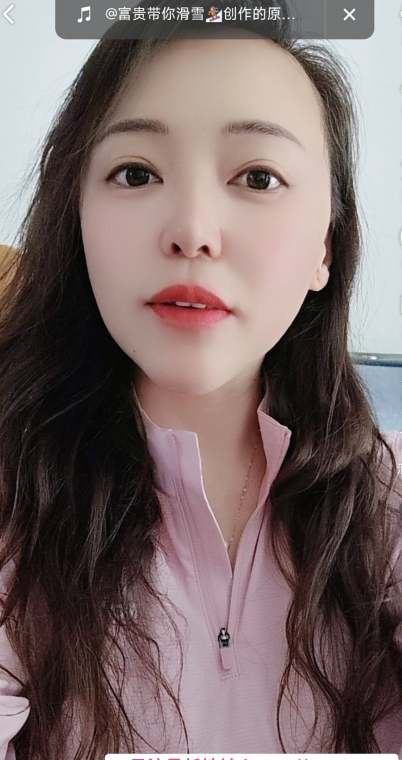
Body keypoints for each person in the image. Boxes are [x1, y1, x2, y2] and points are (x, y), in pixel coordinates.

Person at [0, 4, 402, 758]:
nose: (191, 230)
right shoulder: (16, 497)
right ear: (76, 218)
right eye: (136, 173)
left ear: (325, 247)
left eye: (258, 176)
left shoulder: (387, 506)